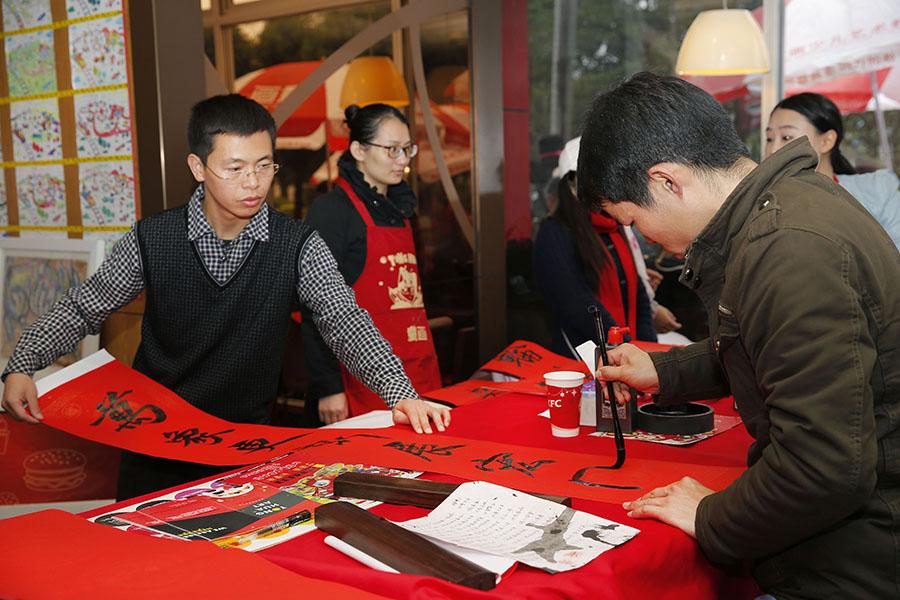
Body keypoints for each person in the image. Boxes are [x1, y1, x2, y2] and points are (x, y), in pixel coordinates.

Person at [1, 94, 450, 500]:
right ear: (198, 167)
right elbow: (86, 304)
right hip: (153, 441)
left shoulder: (297, 244)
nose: (253, 182)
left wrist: (399, 393)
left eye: (264, 165)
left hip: (244, 444)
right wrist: (23, 362)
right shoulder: (154, 238)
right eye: (235, 168)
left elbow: (344, 320)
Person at [579, 73, 899, 598]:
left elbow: (825, 469)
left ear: (667, 181)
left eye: (633, 220)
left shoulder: (788, 248)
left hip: (855, 563)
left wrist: (710, 518)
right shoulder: (789, 206)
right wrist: (662, 370)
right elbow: (765, 342)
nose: (644, 236)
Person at [301, 103, 442, 426]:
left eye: (407, 149)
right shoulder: (332, 211)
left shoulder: (401, 207)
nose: (403, 160)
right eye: (392, 150)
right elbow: (314, 309)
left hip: (418, 370)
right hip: (359, 383)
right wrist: (329, 387)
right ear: (358, 150)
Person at [534, 136, 658, 357]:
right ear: (571, 186)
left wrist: (649, 349)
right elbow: (576, 303)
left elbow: (637, 292)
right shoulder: (555, 233)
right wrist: (624, 348)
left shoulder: (617, 225)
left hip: (629, 355)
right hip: (583, 360)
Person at [766, 91, 900, 248]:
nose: (773, 150)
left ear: (826, 141)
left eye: (786, 137)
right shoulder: (767, 204)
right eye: (769, 138)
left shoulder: (877, 190)